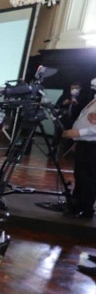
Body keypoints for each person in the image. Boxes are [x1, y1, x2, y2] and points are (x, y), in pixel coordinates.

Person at [61, 77, 96, 219]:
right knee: (80, 176)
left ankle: (85, 209)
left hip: (92, 146)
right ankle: (77, 203)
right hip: (85, 144)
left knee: (88, 178)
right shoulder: (93, 100)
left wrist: (78, 133)